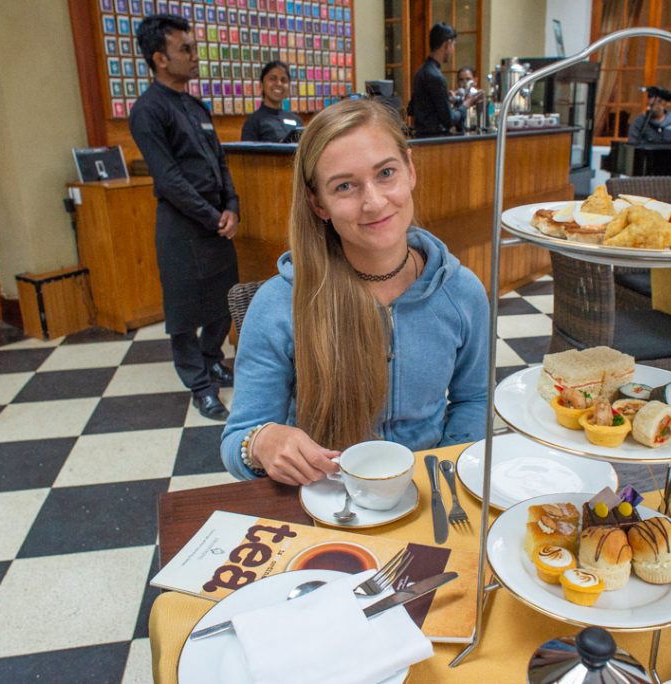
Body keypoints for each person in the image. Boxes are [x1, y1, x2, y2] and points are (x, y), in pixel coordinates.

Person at [220, 99, 489, 484]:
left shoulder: (461, 293)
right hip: (323, 494)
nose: (374, 203)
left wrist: (444, 473)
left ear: (410, 170)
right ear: (318, 203)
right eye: (344, 186)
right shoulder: (279, 305)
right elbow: (236, 442)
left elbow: (474, 399)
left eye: (386, 173)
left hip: (428, 489)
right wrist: (262, 442)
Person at [130, 14, 239, 421]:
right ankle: (200, 387)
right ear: (160, 58)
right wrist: (213, 216)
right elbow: (169, 179)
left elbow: (220, 162)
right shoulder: (148, 110)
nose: (194, 56)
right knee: (184, 313)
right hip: (182, 226)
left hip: (216, 222)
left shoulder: (195, 106)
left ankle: (212, 360)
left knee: (223, 301)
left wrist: (232, 206)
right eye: (185, 49)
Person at [408, 23, 481, 136]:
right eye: (453, 45)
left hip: (420, 137)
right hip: (436, 140)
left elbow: (412, 109)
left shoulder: (420, 72)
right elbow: (449, 120)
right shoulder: (436, 76)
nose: (453, 51)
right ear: (447, 44)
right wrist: (466, 104)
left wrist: (445, 99)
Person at [241, 60, 304, 142]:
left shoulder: (297, 120)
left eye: (283, 80)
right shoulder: (253, 122)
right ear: (261, 85)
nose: (279, 84)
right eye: (272, 79)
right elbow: (247, 150)